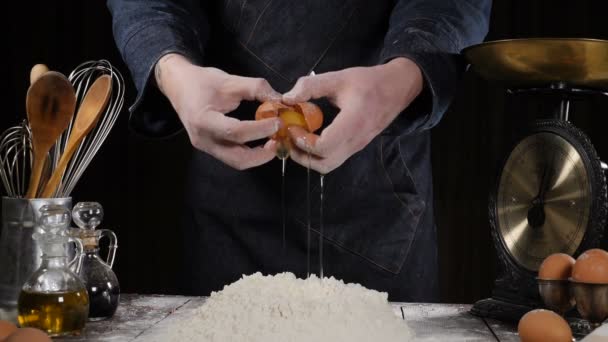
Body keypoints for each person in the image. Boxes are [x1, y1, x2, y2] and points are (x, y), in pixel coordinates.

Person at [107, 0, 491, 302]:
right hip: (227, 215)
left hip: (377, 208)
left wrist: (401, 78)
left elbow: (450, 5)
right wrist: (173, 72)